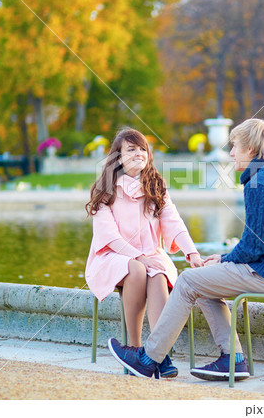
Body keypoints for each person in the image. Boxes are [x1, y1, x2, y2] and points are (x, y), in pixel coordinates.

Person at [107, 119, 264, 381]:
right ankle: (234, 360)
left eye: (235, 146)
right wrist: (222, 261)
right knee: (203, 280)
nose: (230, 153)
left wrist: (226, 259)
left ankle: (148, 359)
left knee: (187, 280)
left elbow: (253, 246)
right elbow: (258, 245)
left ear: (250, 149)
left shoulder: (260, 182)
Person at [85, 128, 203, 378]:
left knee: (158, 274)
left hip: (152, 254)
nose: (139, 153)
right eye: (131, 149)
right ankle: (135, 349)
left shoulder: (156, 187)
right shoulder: (105, 189)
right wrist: (138, 257)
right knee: (137, 268)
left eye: (143, 149)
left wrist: (191, 252)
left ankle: (158, 353)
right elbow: (109, 237)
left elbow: (174, 222)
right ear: (118, 157)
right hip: (113, 256)